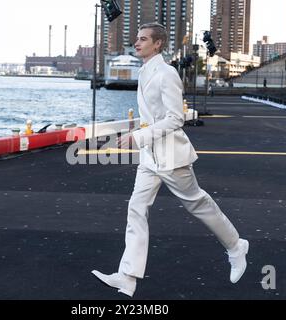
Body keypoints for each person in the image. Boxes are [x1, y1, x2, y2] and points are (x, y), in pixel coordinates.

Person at [91, 23, 249, 298]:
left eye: (143, 39)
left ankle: (236, 246)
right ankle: (127, 277)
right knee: (136, 209)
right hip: (150, 158)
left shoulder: (167, 73)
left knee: (197, 203)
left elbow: (176, 118)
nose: (136, 43)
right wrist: (139, 138)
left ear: (158, 44)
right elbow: (152, 116)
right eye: (137, 39)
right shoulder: (145, 71)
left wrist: (138, 138)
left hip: (171, 157)